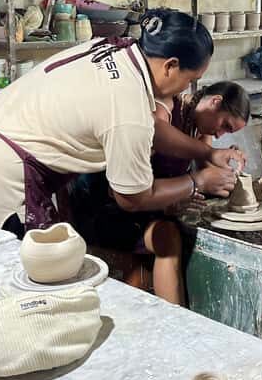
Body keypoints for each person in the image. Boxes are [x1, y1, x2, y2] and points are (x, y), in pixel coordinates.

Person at [0, 8, 242, 239]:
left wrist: (207, 155)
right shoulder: (128, 102)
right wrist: (198, 182)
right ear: (171, 66)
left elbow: (150, 129)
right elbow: (132, 197)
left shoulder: (116, 48)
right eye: (192, 79)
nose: (189, 89)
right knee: (2, 281)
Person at [68, 81, 250, 306]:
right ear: (215, 102)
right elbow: (127, 189)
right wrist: (175, 199)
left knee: (196, 223)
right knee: (168, 235)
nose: (221, 134)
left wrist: (229, 168)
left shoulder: (201, 128)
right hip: (105, 202)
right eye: (225, 126)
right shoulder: (163, 113)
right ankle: (175, 322)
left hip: (145, 204)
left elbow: (207, 170)